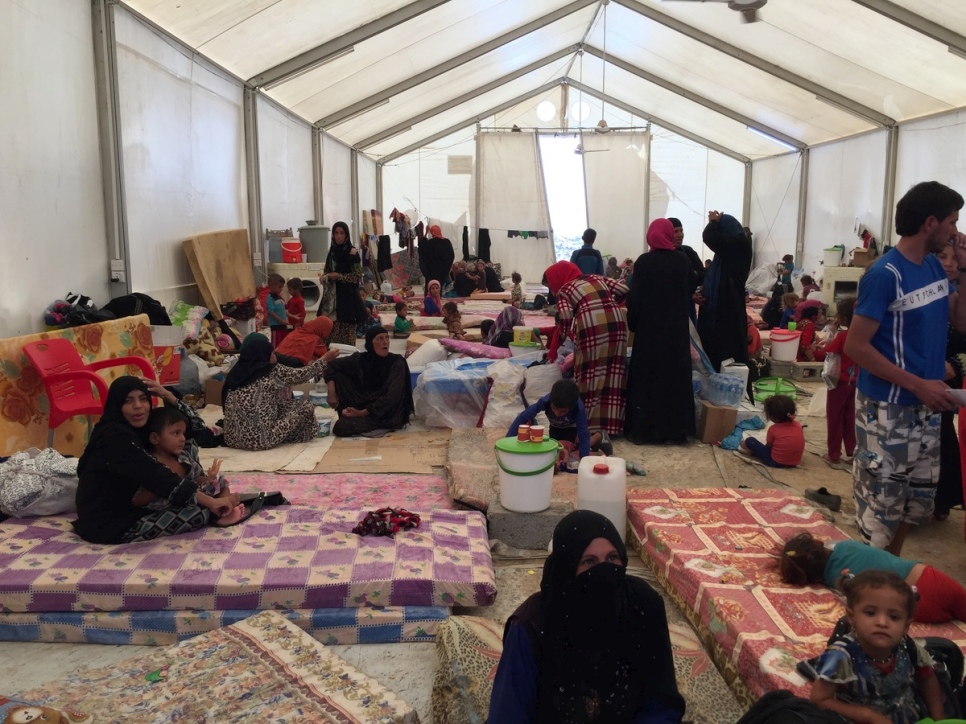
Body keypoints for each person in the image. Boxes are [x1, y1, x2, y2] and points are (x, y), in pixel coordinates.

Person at [844, 181, 966, 555]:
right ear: (930, 223)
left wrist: (964, 270)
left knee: (915, 504)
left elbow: (959, 322)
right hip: (887, 410)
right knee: (883, 505)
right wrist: (917, 383)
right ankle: (872, 581)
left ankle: (889, 572)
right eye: (951, 222)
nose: (956, 232)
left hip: (926, 407)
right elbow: (855, 346)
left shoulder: (933, 267)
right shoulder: (885, 275)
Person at [489, 509, 685, 722]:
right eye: (589, 562)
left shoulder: (643, 606)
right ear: (567, 568)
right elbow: (508, 715)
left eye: (612, 558)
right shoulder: (532, 626)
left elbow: (661, 704)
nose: (604, 571)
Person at [73, 376, 234, 544]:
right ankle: (215, 507)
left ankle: (207, 494)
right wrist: (210, 502)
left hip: (140, 504)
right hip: (110, 523)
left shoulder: (140, 426)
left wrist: (167, 395)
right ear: (117, 405)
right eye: (128, 401)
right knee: (199, 513)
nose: (138, 406)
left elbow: (196, 427)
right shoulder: (113, 437)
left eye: (143, 399)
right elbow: (157, 476)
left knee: (187, 443)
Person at [808, 570, 945, 723]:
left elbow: (927, 679)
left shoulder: (908, 647)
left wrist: (938, 720)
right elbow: (819, 699)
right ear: (852, 617)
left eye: (894, 617)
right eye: (871, 613)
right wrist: (869, 716)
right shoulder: (841, 655)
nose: (882, 622)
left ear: (906, 625)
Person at [779, 531, 966, 624]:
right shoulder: (846, 546)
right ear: (819, 544)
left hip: (916, 608)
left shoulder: (833, 580)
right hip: (930, 580)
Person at [624, 218, 695, 444]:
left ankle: (644, 431)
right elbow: (689, 290)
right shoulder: (682, 261)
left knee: (648, 380)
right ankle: (675, 432)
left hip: (649, 334)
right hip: (676, 333)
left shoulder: (644, 262)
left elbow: (635, 298)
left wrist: (633, 323)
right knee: (675, 380)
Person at [544, 260, 629, 436]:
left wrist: (561, 336)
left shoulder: (565, 290)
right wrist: (608, 304)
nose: (552, 291)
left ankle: (589, 425)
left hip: (590, 327)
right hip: (617, 323)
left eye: (551, 286)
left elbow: (566, 318)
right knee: (613, 374)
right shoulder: (596, 277)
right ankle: (611, 427)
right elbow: (624, 290)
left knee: (588, 375)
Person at [222, 334, 338, 451]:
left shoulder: (235, 373)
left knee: (283, 405)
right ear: (263, 354)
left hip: (232, 439)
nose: (274, 356)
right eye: (271, 353)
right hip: (261, 440)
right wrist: (324, 359)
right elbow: (302, 375)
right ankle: (304, 435)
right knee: (305, 406)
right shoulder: (272, 371)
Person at [140, 407, 243, 525]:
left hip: (194, 497)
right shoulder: (148, 463)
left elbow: (196, 478)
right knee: (197, 512)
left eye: (183, 433)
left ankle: (225, 508)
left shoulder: (183, 457)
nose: (182, 439)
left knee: (220, 482)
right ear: (155, 438)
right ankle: (219, 512)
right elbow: (138, 501)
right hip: (168, 507)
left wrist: (210, 479)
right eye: (175, 433)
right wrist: (163, 483)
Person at [324, 327, 415, 437]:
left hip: (387, 414)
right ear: (370, 343)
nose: (385, 342)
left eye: (387, 338)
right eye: (380, 339)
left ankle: (357, 418)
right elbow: (330, 365)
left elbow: (392, 397)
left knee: (341, 427)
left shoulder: (397, 363)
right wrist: (331, 393)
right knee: (339, 375)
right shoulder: (362, 359)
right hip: (365, 404)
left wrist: (361, 413)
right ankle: (352, 415)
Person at [695, 211, 753, 372]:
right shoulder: (725, 255)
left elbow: (709, 237)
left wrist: (713, 222)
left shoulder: (739, 245)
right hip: (723, 311)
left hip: (728, 312)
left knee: (729, 355)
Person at [506, 380, 610, 465]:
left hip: (571, 428)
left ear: (571, 407)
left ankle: (599, 435)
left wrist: (585, 461)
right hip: (555, 427)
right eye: (554, 408)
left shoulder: (578, 408)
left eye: (563, 411)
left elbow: (583, 434)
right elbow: (523, 417)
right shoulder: (545, 401)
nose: (557, 413)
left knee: (573, 447)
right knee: (554, 450)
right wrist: (507, 441)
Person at [935, 241, 966, 519]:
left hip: (949, 375)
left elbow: (961, 329)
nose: (949, 263)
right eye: (943, 256)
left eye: (954, 259)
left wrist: (955, 365)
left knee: (943, 433)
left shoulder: (955, 295)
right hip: (919, 375)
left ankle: (943, 499)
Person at [818, 297, 857, 465]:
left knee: (835, 417)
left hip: (838, 381)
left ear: (843, 317)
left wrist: (817, 347)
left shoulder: (843, 336)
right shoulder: (862, 334)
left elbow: (826, 352)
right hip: (855, 380)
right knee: (850, 416)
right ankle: (852, 452)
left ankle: (834, 453)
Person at [320, 221, 368, 346]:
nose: (339, 236)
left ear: (346, 235)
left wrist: (339, 276)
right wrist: (324, 277)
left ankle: (347, 360)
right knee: (330, 332)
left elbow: (357, 275)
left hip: (348, 299)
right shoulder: (332, 252)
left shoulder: (352, 252)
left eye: (342, 233)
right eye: (336, 233)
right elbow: (326, 270)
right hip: (332, 299)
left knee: (347, 336)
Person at [738, 394, 804, 467]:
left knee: (750, 441)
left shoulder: (773, 429)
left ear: (773, 417)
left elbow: (768, 447)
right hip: (795, 462)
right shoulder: (798, 425)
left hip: (775, 462)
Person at [669, 217, 705, 323]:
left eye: (681, 230)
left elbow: (703, 275)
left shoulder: (688, 251)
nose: (680, 235)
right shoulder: (662, 257)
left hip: (688, 305)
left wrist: (692, 275)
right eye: (676, 231)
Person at [265, 273, 288, 346]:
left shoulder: (279, 297)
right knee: (276, 344)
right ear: (271, 286)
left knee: (283, 343)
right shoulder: (270, 298)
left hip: (282, 325)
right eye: (279, 287)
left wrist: (292, 316)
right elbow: (271, 312)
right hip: (276, 326)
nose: (281, 289)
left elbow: (283, 310)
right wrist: (281, 321)